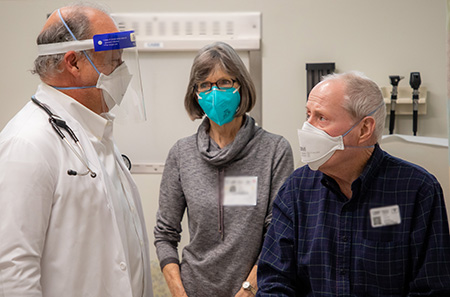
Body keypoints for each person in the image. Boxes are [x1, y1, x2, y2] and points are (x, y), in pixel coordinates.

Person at [0, 3, 153, 296]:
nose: (123, 71)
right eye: (113, 60)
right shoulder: (28, 143)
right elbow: (13, 272)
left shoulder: (93, 133)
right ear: (74, 63)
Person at [257, 71, 450, 296]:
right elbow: (274, 282)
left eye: (321, 118)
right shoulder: (296, 190)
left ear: (364, 129)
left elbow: (431, 289)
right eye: (308, 115)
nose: (307, 129)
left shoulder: (418, 191)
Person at [154, 41, 294, 297]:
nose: (214, 92)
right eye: (205, 85)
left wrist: (249, 290)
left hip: (256, 290)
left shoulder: (274, 150)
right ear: (195, 92)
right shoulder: (181, 154)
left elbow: (278, 234)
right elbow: (165, 234)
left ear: (240, 85)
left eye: (224, 82)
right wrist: (178, 291)